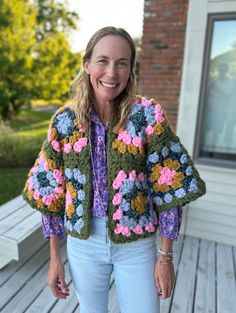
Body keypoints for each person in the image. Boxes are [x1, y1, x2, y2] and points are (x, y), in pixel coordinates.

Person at [23, 26, 206, 313]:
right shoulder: (64, 122)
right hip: (84, 246)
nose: (112, 72)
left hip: (137, 246)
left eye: (122, 63)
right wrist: (55, 259)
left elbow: (170, 187)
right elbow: (50, 192)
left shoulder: (147, 115)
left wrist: (165, 257)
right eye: (103, 61)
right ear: (87, 65)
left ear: (130, 71)